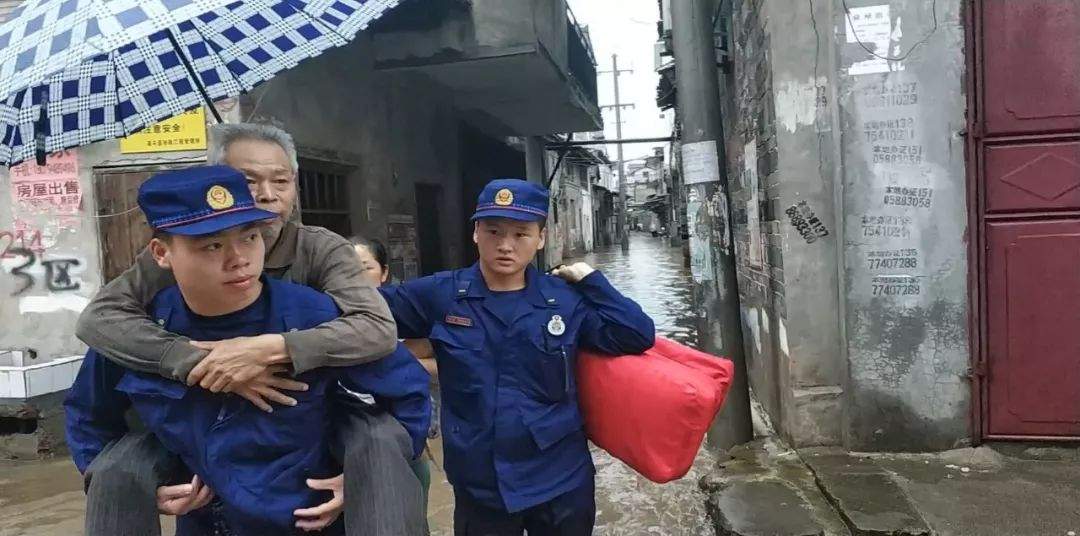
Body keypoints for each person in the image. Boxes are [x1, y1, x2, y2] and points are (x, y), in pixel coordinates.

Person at [73, 123, 426, 536]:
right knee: (117, 468)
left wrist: (272, 349)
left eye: (281, 181)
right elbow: (95, 350)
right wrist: (198, 362)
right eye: (211, 244)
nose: (268, 194)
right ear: (164, 255)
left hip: (305, 496)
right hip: (209, 506)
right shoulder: (151, 306)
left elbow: (381, 340)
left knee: (377, 441)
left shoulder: (318, 269)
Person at [378, 178, 656, 535]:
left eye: (521, 234)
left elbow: (635, 334)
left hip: (559, 480)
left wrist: (591, 280)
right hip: (481, 486)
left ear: (540, 238)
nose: (505, 245)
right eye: (493, 231)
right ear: (476, 232)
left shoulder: (565, 301)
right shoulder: (441, 296)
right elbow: (362, 313)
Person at [348, 236, 439, 515]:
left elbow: (450, 363)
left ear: (384, 272)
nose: (356, 277)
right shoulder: (323, 318)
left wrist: (390, 364)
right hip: (349, 446)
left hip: (404, 441)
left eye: (366, 268)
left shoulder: (405, 317)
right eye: (346, 267)